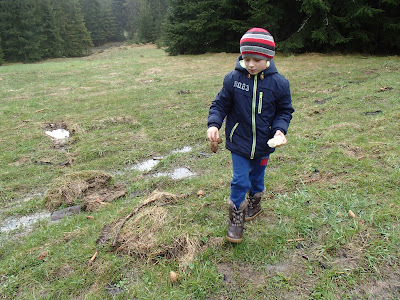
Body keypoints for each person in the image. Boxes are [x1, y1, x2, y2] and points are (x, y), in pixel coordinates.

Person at [207, 28, 294, 243]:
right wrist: (214, 124)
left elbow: (285, 111)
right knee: (239, 180)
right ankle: (236, 215)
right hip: (239, 141)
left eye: (256, 59)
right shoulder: (233, 79)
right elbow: (220, 104)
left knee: (257, 176)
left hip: (265, 143)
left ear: (269, 59)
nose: (251, 64)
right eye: (246, 59)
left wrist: (280, 130)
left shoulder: (279, 84)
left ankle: (255, 201)